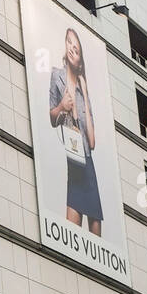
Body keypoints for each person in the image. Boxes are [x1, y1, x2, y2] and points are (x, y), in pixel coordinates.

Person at [49, 27, 103, 238]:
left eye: (77, 47)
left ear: (80, 59)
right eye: (69, 42)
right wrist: (62, 106)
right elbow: (52, 118)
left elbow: (92, 141)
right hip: (72, 161)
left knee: (95, 231)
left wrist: (85, 94)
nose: (72, 48)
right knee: (71, 233)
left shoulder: (83, 88)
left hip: (87, 162)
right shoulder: (56, 76)